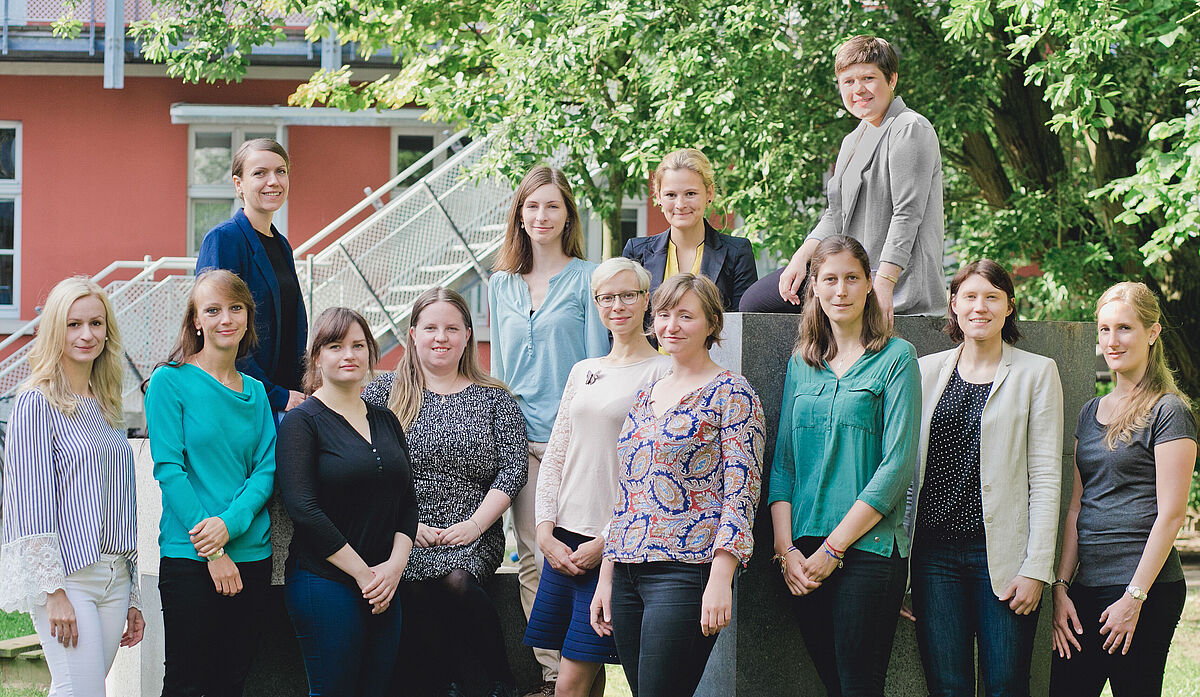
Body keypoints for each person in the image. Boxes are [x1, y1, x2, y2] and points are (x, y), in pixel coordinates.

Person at [590, 273, 765, 697]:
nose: (671, 326)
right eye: (664, 314)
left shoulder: (732, 393)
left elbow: (742, 490)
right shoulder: (646, 393)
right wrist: (606, 577)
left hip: (686, 570)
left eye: (686, 316)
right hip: (628, 565)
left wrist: (721, 577)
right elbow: (626, 492)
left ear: (711, 324)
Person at [767, 235, 920, 697]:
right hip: (802, 549)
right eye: (829, 279)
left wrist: (833, 551)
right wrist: (785, 550)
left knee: (859, 685)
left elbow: (896, 468)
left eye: (852, 278)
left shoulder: (896, 358)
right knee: (833, 686)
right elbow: (784, 465)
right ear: (813, 287)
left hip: (868, 549)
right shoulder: (802, 363)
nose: (840, 290)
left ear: (870, 284)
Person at [908, 260, 1063, 696]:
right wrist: (898, 570)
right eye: (970, 297)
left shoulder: (1037, 372)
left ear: (1009, 307)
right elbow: (904, 472)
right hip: (934, 558)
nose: (981, 306)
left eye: (992, 297)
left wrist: (1036, 569)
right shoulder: (924, 371)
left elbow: (1047, 477)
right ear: (953, 305)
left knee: (1006, 685)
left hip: (1004, 559)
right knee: (946, 686)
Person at [362, 287, 526, 697]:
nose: (441, 337)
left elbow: (513, 470)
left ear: (468, 335)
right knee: (413, 581)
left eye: (452, 328)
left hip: (473, 529)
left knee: (454, 579)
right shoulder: (382, 395)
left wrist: (473, 526)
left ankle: (500, 680)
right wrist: (407, 525)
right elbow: (364, 467)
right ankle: (444, 683)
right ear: (412, 333)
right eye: (431, 327)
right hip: (405, 530)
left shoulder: (495, 398)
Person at [488, 164, 610, 696]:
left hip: (575, 440)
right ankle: (553, 675)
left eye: (552, 206)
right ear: (520, 214)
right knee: (535, 559)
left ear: (567, 217)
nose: (541, 215)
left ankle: (585, 676)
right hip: (518, 439)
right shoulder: (500, 284)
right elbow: (500, 364)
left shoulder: (589, 278)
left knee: (580, 554)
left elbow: (595, 363)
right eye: (532, 205)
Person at [524, 258, 670, 697]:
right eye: (606, 297)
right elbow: (556, 454)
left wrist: (607, 541)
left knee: (569, 682)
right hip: (563, 539)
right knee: (583, 674)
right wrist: (544, 530)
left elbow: (651, 472)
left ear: (646, 300)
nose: (617, 305)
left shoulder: (662, 372)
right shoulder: (583, 369)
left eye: (628, 295)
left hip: (611, 545)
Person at [1050, 282, 1197, 697]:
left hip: (1143, 588)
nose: (1112, 341)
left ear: (1152, 333)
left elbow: (1171, 514)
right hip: (1086, 590)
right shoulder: (1089, 412)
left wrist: (1135, 597)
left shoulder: (1169, 411)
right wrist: (1062, 587)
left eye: (1125, 328)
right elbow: (1077, 509)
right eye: (1104, 329)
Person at [0, 277, 145, 697]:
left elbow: (122, 504)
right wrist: (53, 592)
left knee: (79, 691)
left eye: (96, 323)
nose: (87, 334)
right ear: (54, 331)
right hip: (69, 579)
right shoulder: (36, 402)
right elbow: (31, 502)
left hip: (115, 577)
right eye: (73, 324)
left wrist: (132, 592)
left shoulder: (105, 405)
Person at [739, 35, 945, 322]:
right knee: (757, 301)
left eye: (868, 78)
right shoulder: (854, 139)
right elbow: (836, 214)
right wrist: (801, 258)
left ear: (892, 79)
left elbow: (907, 215)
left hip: (896, 282)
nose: (858, 89)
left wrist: (884, 282)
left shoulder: (909, 127)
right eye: (848, 81)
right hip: (848, 275)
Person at [144, 269, 277, 697]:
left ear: (247, 317)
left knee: (231, 684)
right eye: (213, 310)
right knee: (186, 684)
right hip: (190, 556)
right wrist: (213, 547)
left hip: (252, 556)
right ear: (196, 320)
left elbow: (266, 471)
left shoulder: (257, 393)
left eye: (235, 308)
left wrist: (231, 525)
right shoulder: (169, 382)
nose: (226, 318)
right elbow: (169, 469)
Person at [277, 307, 417, 697]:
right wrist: (363, 574)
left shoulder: (386, 419)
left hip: (385, 582)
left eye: (358, 345)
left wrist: (393, 567)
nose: (349, 355)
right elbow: (303, 509)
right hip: (326, 583)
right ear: (317, 356)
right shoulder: (301, 423)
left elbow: (407, 500)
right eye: (336, 346)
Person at [196, 137, 307, 415]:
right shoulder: (224, 239)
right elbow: (220, 331)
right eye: (260, 173)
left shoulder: (282, 246)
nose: (274, 181)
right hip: (242, 402)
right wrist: (274, 395)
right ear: (238, 185)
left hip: (284, 401)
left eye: (281, 171)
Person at [621, 148, 758, 313]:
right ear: (658, 197)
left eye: (690, 193)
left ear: (709, 193)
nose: (680, 204)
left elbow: (744, 327)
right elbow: (623, 320)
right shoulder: (637, 252)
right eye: (671, 195)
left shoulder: (737, 253)